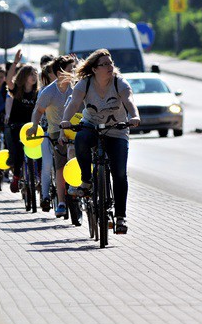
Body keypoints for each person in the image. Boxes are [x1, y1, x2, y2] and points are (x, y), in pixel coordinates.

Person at [60, 49, 140, 235]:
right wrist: (65, 120)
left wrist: (134, 116)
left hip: (117, 129)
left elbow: (129, 100)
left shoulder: (119, 82)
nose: (109, 67)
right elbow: (74, 103)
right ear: (94, 69)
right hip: (91, 127)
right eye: (104, 64)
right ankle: (86, 181)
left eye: (110, 63)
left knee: (119, 173)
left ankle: (120, 217)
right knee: (81, 139)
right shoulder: (85, 84)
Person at [29, 55, 75, 217]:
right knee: (60, 166)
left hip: (77, 129)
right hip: (56, 131)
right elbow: (38, 111)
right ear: (60, 73)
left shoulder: (77, 88)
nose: (74, 73)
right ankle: (61, 202)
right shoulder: (49, 91)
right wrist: (34, 126)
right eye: (71, 70)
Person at [5, 63, 39, 196]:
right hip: (17, 126)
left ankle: (38, 176)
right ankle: (16, 177)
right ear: (24, 76)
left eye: (35, 74)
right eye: (31, 74)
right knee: (19, 151)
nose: (34, 77)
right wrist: (15, 63)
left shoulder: (38, 93)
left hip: (32, 127)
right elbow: (8, 80)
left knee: (39, 151)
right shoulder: (17, 89)